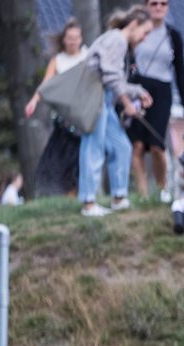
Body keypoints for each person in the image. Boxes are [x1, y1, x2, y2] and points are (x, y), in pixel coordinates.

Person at [78, 6, 155, 217]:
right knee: (93, 147)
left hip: (104, 99)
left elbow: (116, 80)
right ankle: (88, 202)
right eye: (145, 32)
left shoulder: (118, 41)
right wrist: (127, 103)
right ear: (133, 25)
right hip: (93, 97)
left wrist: (137, 92)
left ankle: (119, 197)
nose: (145, 38)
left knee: (121, 146)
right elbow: (111, 76)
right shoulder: (116, 40)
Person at [127, 0, 184, 202]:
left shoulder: (173, 36)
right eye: (154, 3)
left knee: (157, 145)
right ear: (146, 6)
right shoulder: (137, 32)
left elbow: (180, 69)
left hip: (162, 90)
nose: (158, 7)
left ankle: (162, 190)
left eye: (163, 3)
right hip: (138, 88)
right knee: (136, 146)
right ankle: (143, 195)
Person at [25, 18, 88, 198]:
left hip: (83, 119)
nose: (73, 41)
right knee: (60, 159)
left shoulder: (87, 56)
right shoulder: (58, 60)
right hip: (64, 120)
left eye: (76, 37)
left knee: (79, 160)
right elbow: (46, 84)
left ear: (81, 39)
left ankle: (79, 194)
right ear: (64, 39)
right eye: (69, 37)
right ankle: (64, 194)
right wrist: (34, 100)